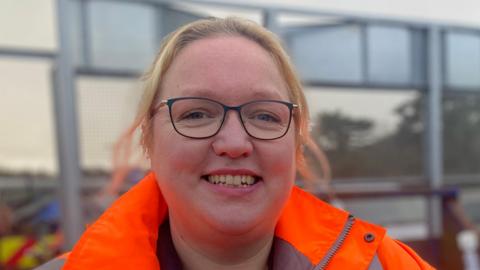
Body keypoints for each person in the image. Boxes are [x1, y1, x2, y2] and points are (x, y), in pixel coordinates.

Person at [36, 17, 434, 270]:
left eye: (264, 115)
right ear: (149, 141)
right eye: (196, 113)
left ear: (296, 143)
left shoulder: (387, 265)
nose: (233, 142)